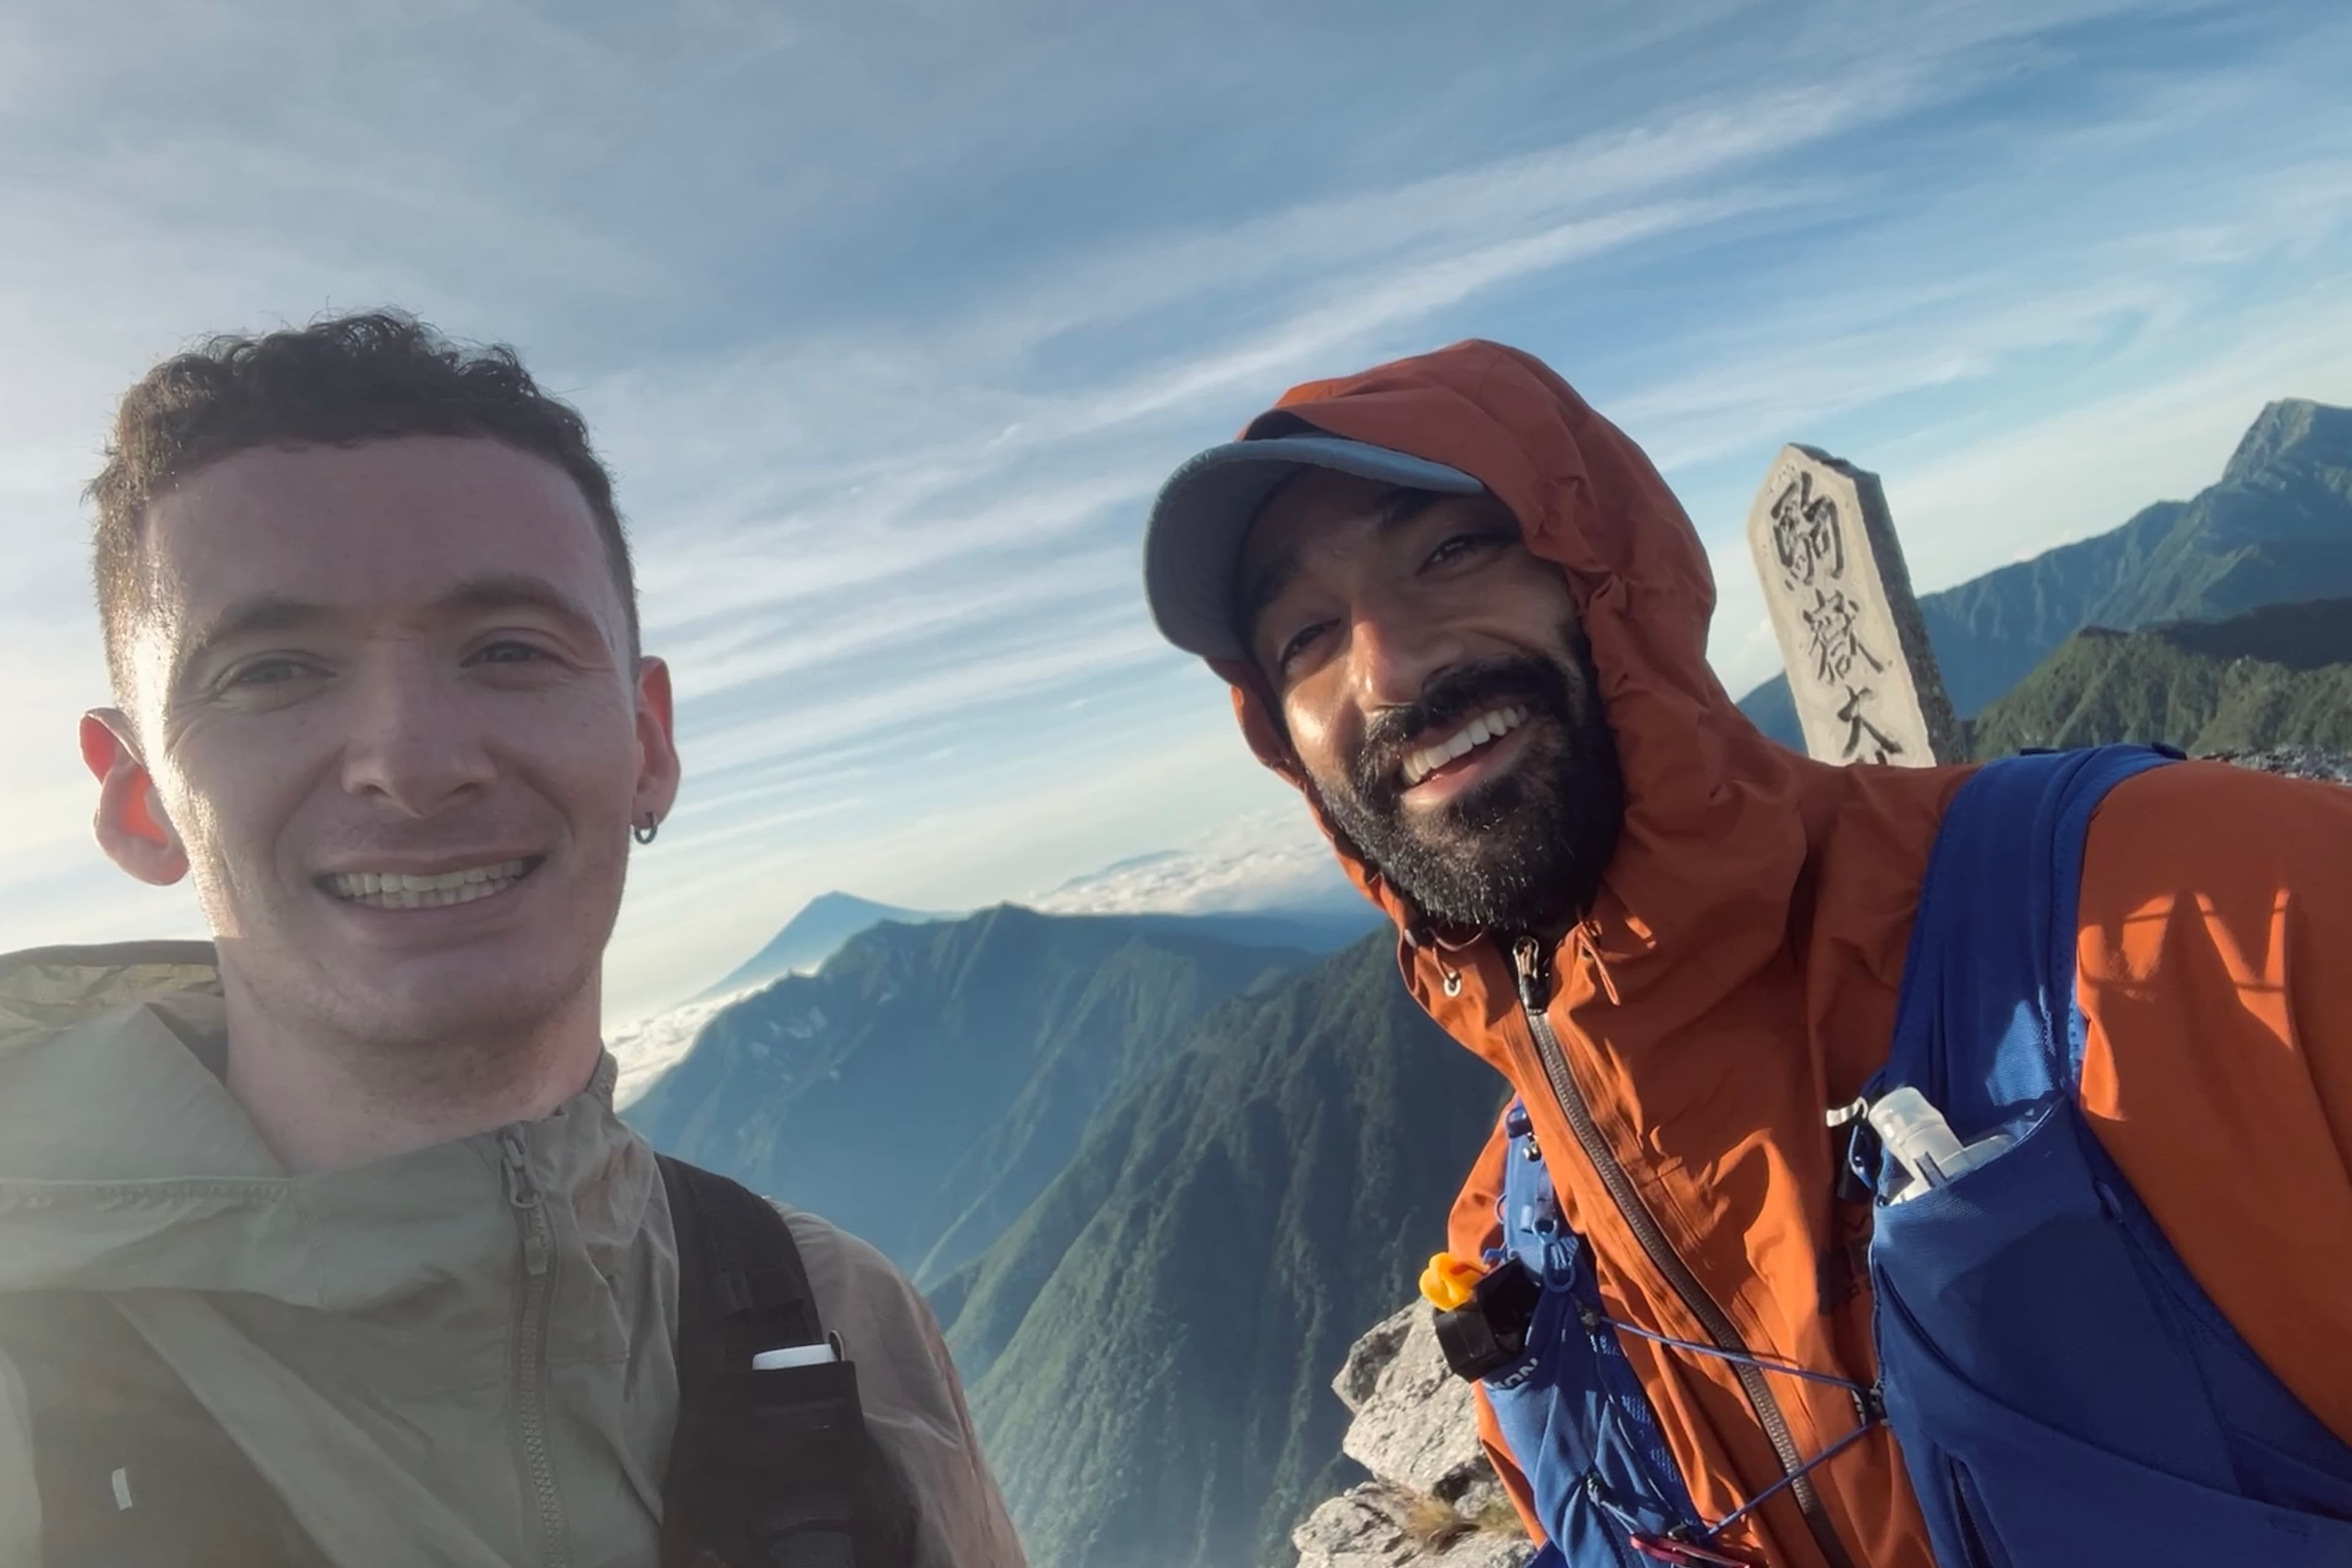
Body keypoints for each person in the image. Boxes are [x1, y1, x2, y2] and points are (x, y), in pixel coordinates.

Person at [1139, 338, 2352, 1567]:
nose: (1387, 666)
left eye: (1452, 550)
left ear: (1609, 571)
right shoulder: (1507, 1256)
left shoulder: (2221, 913)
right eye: (1303, 637)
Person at [0, 312, 1027, 1568]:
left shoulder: (841, 1315)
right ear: (139, 796)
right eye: (271, 671)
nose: (415, 764)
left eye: (507, 649)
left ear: (646, 742)